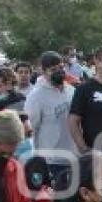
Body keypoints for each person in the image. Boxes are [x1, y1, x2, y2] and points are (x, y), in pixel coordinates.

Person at [24, 51, 77, 179]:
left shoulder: (71, 90)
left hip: (73, 156)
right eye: (53, 69)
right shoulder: (36, 96)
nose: (59, 72)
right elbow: (31, 128)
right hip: (50, 160)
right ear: (43, 71)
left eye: (61, 68)